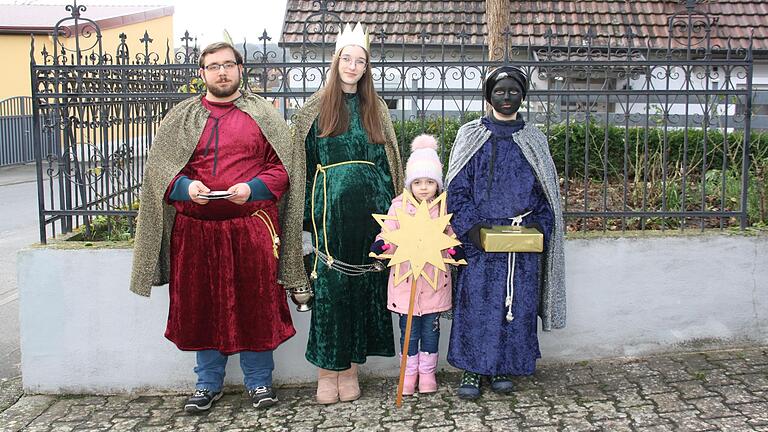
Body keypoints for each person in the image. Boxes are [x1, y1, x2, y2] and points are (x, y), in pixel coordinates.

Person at [130, 42, 298, 412]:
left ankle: (259, 382)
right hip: (195, 233)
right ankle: (207, 384)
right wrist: (186, 187)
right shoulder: (181, 117)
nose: (221, 72)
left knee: (257, 306)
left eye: (228, 65)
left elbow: (284, 167)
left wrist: (251, 189)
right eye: (213, 66)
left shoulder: (263, 116)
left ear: (241, 69)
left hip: (251, 229)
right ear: (202, 73)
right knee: (201, 307)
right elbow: (159, 170)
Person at [287, 22, 404, 405]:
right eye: (347, 59)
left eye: (361, 61)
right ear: (336, 62)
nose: (353, 66)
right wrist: (306, 220)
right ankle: (327, 372)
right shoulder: (314, 109)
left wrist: (393, 212)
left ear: (367, 67)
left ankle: (350, 370)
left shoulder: (377, 108)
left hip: (370, 214)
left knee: (361, 289)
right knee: (331, 292)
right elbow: (301, 167)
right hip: (328, 214)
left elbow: (389, 164)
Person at [444, 66, 566, 399]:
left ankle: (502, 365)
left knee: (516, 305)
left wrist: (539, 226)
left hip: (521, 240)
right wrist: (472, 228)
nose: (507, 97)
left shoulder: (534, 139)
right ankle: (472, 368)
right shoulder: (470, 135)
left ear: (522, 96)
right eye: (500, 92)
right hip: (480, 241)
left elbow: (546, 193)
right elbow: (456, 188)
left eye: (514, 91)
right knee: (476, 305)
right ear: (489, 96)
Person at [370, 134, 464, 396]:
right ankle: (408, 373)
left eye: (430, 182)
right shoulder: (398, 207)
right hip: (406, 283)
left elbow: (449, 235)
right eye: (418, 182)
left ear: (438, 184)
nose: (424, 187)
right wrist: (383, 246)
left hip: (434, 284)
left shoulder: (442, 208)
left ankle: (427, 373)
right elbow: (388, 232)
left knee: (431, 331)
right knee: (408, 332)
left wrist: (453, 248)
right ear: (410, 183)